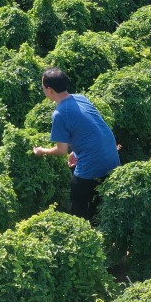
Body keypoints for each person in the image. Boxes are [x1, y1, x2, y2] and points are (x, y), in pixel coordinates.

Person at [32, 68, 120, 221]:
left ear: (49, 89)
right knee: (100, 200)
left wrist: (42, 151)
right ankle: (99, 220)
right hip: (112, 158)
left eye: (43, 87)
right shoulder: (81, 98)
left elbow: (61, 150)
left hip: (93, 164)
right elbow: (89, 128)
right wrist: (77, 152)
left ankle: (83, 228)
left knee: (78, 200)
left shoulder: (59, 114)